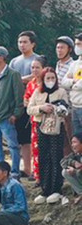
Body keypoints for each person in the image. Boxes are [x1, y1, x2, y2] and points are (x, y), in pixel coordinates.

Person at [27, 68, 69, 203]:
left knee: (56, 156)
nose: (50, 81)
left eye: (53, 78)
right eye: (48, 78)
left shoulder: (61, 92)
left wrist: (58, 108)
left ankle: (56, 189)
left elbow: (66, 109)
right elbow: (29, 109)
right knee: (43, 156)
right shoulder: (37, 92)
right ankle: (45, 189)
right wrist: (41, 108)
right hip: (41, 127)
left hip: (57, 127)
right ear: (43, 79)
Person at [0, 46, 25, 178]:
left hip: (7, 117)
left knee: (13, 146)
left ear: (1, 57)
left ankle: (14, 172)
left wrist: (16, 114)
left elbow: (19, 96)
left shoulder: (13, 75)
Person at [11, 31, 41, 178]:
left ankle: (36, 169)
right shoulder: (14, 61)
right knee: (23, 138)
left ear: (33, 44)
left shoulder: (38, 59)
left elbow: (37, 77)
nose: (22, 45)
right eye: (20, 42)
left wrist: (19, 79)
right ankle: (27, 168)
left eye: (25, 42)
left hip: (35, 103)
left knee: (35, 138)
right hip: (19, 103)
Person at [62, 134, 82, 203]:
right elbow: (63, 161)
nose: (72, 145)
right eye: (72, 143)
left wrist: (75, 171)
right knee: (65, 172)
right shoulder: (76, 154)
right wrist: (73, 163)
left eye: (74, 142)